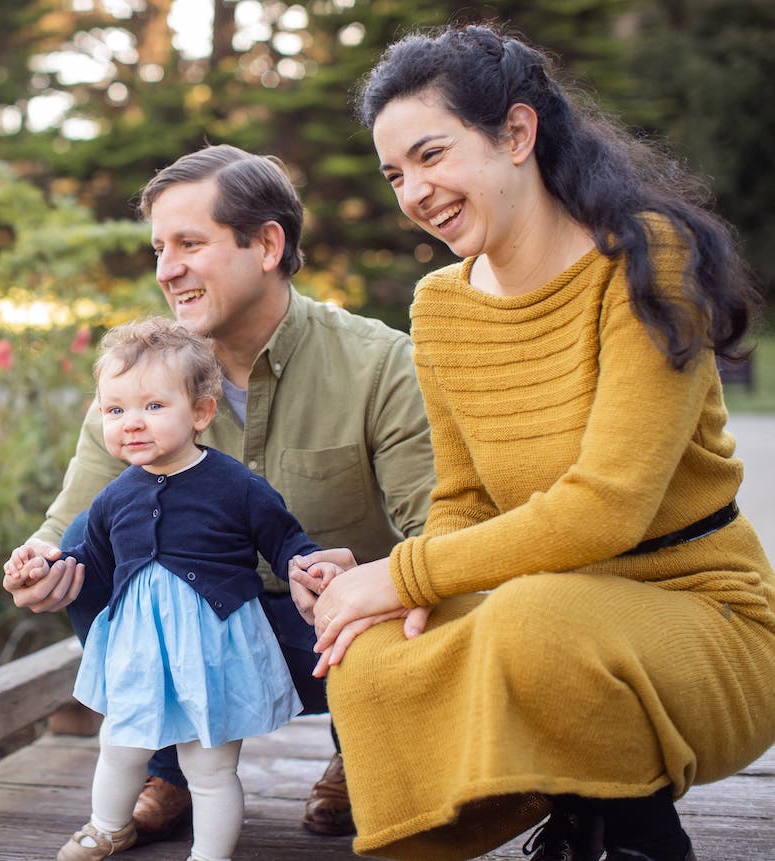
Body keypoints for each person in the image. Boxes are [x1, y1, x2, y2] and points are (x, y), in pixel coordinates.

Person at [290, 23, 775, 861]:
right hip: (542, 615)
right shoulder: (439, 303)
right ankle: (572, 797)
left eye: (433, 155)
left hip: (705, 619)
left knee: (536, 615)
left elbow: (607, 507)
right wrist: (397, 592)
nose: (415, 191)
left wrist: (400, 573)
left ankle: (642, 838)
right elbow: (464, 501)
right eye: (396, 173)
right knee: (365, 650)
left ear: (517, 133)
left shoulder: (644, 260)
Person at [4, 143, 436, 841]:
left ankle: (362, 751)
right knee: (85, 568)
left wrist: (373, 576)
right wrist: (37, 563)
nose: (166, 269)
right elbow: (67, 520)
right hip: (188, 629)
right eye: (157, 248)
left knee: (404, 596)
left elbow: (439, 531)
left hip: (333, 634)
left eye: (188, 243)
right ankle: (170, 765)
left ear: (267, 244)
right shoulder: (139, 388)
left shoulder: (379, 364)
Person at [10, 317, 340, 861]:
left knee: (208, 766)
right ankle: (105, 827)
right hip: (142, 646)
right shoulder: (115, 497)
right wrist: (44, 570)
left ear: (201, 412)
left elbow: (285, 540)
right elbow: (86, 559)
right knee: (119, 745)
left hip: (213, 646)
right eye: (115, 410)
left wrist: (307, 566)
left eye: (153, 407)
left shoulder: (236, 485)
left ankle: (208, 854)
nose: (131, 423)